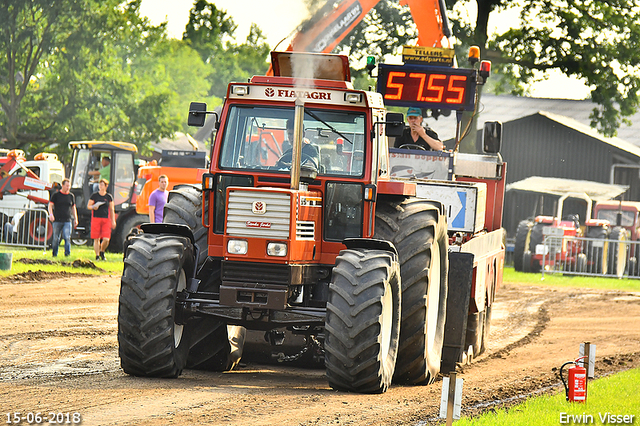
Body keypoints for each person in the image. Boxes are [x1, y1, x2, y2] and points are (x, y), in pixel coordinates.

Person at [48, 178, 78, 257]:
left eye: (69, 186)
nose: (68, 187)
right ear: (63, 185)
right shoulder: (56, 195)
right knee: (56, 239)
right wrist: (51, 214)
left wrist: (75, 218)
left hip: (67, 220)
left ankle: (67, 254)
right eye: (67, 186)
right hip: (57, 220)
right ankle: (54, 254)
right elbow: (50, 205)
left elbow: (73, 207)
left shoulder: (71, 196)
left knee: (67, 237)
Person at [87, 179, 116, 261]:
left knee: (106, 239)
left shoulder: (108, 197)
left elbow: (111, 209)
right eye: (100, 185)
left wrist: (113, 220)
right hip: (96, 218)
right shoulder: (94, 196)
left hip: (106, 219)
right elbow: (88, 206)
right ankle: (97, 256)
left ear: (106, 186)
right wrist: (93, 207)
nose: (101, 186)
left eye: (102, 185)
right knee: (96, 238)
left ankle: (102, 251)